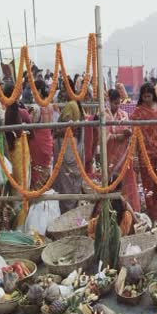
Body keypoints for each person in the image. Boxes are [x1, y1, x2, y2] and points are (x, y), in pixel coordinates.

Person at [130, 83, 157, 221]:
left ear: (153, 96)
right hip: (146, 154)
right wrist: (136, 155)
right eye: (144, 97)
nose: (147, 100)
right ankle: (153, 215)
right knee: (149, 185)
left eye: (149, 96)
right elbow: (135, 134)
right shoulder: (139, 112)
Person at [52, 79, 85, 214]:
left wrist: (55, 131)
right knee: (70, 179)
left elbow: (68, 128)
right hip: (72, 146)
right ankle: (70, 210)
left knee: (66, 179)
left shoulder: (70, 105)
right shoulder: (75, 104)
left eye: (65, 90)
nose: (63, 93)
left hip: (68, 148)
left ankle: (67, 211)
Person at [105, 89, 141, 212]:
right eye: (114, 103)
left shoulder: (124, 115)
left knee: (127, 182)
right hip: (111, 156)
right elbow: (104, 137)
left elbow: (129, 130)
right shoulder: (104, 116)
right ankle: (112, 209)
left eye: (118, 103)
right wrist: (117, 137)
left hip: (124, 155)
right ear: (108, 101)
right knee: (112, 183)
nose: (117, 106)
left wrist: (127, 133)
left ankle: (130, 210)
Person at [28, 81, 56, 192]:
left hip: (37, 144)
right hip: (48, 142)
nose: (32, 93)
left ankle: (35, 201)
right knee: (45, 173)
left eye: (34, 91)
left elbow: (28, 124)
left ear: (38, 91)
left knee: (36, 173)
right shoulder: (51, 106)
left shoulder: (35, 108)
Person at [3, 83, 31, 190]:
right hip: (18, 148)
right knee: (20, 179)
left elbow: (12, 130)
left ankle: (19, 204)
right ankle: (20, 205)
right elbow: (14, 131)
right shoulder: (13, 108)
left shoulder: (12, 108)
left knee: (19, 179)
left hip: (16, 148)